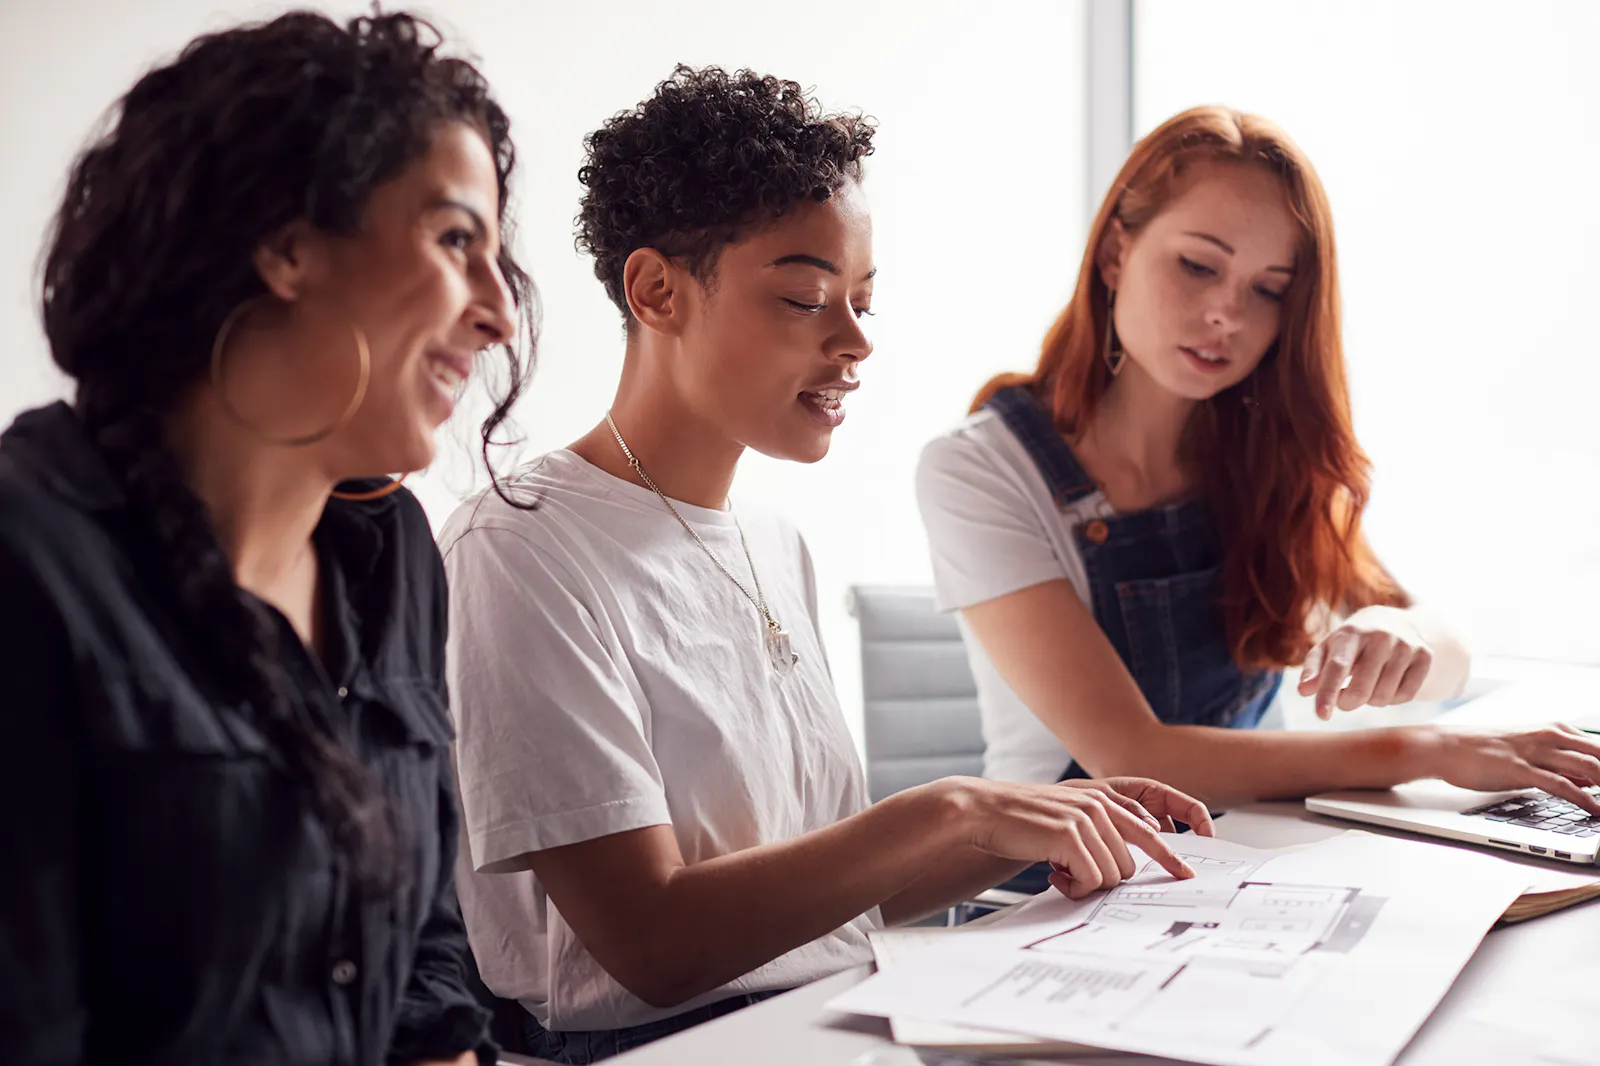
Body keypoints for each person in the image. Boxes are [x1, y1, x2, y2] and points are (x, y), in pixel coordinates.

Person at [441, 66, 1210, 1064]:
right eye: (805, 297)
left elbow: (833, 890)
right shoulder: (521, 549)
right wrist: (953, 807)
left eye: (861, 301)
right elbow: (653, 944)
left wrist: (1041, 823)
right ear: (657, 291)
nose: (854, 342)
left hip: (842, 1014)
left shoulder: (771, 540)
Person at [0, 13, 530, 1065]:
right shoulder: (29, 568)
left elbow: (427, 953)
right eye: (456, 240)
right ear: (287, 246)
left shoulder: (395, 564)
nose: (499, 315)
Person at [915, 105, 1600, 830]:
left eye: (1269, 289)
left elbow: (1451, 653)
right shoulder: (976, 470)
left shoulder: (1260, 451)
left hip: (1243, 858)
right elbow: (1131, 757)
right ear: (1116, 253)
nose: (1228, 315)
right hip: (1053, 886)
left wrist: (1405, 638)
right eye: (1199, 265)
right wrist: (1428, 748)